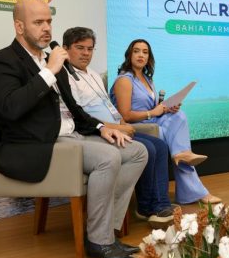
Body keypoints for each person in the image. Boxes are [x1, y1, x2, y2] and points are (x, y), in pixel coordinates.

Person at [0, 0, 147, 258]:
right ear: (19, 27)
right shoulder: (2, 62)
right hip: (37, 144)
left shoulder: (51, 60)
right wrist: (48, 72)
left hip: (72, 136)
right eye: (38, 22)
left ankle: (104, 229)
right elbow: (10, 108)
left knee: (136, 151)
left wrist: (102, 127)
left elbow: (75, 109)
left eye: (49, 21)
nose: (47, 28)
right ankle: (99, 241)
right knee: (109, 158)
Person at [62, 27, 174, 228]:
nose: (86, 53)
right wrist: (117, 127)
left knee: (160, 146)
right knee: (147, 149)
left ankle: (155, 205)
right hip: (96, 133)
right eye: (80, 48)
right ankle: (151, 207)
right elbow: (80, 117)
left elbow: (110, 107)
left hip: (116, 127)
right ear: (65, 49)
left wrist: (122, 124)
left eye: (90, 48)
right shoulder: (65, 77)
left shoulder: (94, 75)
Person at [111, 39, 221, 205]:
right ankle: (192, 189)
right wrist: (152, 112)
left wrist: (166, 109)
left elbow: (153, 109)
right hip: (133, 127)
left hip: (151, 121)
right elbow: (124, 115)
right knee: (162, 133)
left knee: (179, 116)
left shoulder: (147, 80)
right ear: (129, 55)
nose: (141, 55)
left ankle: (181, 154)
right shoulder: (124, 80)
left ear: (149, 57)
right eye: (137, 51)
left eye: (145, 52)